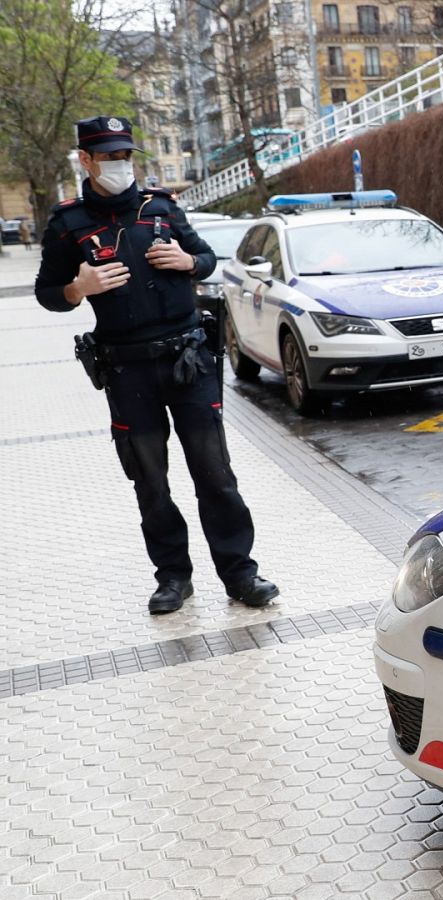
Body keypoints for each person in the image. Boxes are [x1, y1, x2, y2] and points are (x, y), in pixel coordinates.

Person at [34, 116, 277, 615]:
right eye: (109, 157)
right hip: (128, 372)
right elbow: (47, 294)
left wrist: (189, 263)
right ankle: (172, 578)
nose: (121, 165)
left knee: (215, 473)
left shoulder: (162, 208)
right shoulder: (68, 224)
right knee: (150, 480)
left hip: (188, 361)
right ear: (85, 160)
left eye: (126, 155)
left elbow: (208, 258)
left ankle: (241, 574)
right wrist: (79, 289)